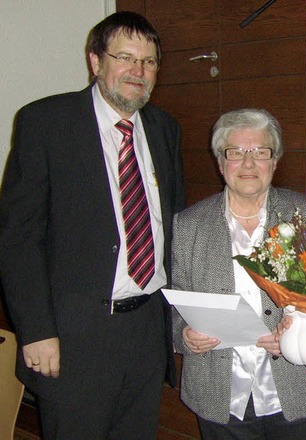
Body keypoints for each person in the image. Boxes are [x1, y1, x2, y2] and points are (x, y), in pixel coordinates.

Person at [0, 11, 184, 439]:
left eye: (150, 61)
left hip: (146, 329)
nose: (138, 71)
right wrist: (37, 331)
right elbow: (19, 240)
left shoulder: (163, 129)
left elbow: (172, 225)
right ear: (95, 61)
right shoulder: (46, 123)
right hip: (73, 335)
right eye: (125, 57)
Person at [171, 108, 306, 440]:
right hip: (219, 392)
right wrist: (184, 335)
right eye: (235, 153)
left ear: (274, 162)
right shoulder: (189, 225)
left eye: (260, 152)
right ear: (220, 163)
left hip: (297, 385)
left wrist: (300, 332)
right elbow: (175, 303)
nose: (247, 163)